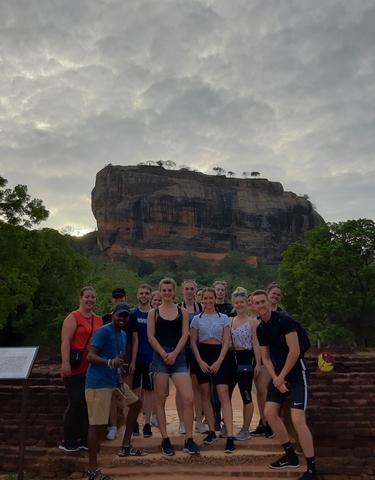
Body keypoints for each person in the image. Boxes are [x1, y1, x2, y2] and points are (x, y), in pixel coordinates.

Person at [252, 290, 317, 480]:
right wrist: (276, 378)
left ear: (267, 302)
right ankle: (289, 455)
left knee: (298, 420)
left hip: (296, 373)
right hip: (279, 373)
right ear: (253, 306)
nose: (261, 305)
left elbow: (295, 351)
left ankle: (312, 468)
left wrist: (281, 377)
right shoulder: (260, 328)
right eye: (257, 303)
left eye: (263, 301)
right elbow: (265, 358)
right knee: (270, 413)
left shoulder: (284, 319)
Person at [85, 303, 146, 480]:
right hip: (97, 384)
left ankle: (126, 445)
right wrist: (110, 363)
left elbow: (119, 360)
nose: (122, 319)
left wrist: (119, 380)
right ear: (113, 315)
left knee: (136, 404)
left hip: (113, 382)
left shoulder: (123, 334)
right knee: (96, 425)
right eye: (119, 315)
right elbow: (90, 356)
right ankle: (93, 470)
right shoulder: (104, 332)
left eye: (125, 316)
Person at [147, 278, 200, 456]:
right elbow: (151, 337)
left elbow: (185, 334)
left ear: (174, 292)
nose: (167, 293)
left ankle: (189, 440)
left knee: (188, 398)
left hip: (178, 357)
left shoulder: (182, 311)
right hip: (160, 357)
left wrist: (174, 354)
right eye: (164, 290)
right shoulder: (153, 313)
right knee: (160, 400)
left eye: (170, 290)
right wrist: (164, 354)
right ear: (160, 291)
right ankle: (165, 439)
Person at [190, 287, 235, 453]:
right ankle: (211, 431)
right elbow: (193, 342)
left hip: (220, 357)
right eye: (206, 298)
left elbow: (226, 341)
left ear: (215, 299)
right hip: (202, 356)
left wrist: (220, 361)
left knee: (223, 394)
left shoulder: (224, 318)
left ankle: (230, 436)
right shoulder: (196, 319)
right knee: (205, 395)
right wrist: (200, 361)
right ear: (202, 300)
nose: (208, 301)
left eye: (211, 298)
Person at [59, 286, 103, 452]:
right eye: (87, 297)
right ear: (80, 298)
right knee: (76, 401)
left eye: (93, 297)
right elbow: (66, 341)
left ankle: (83, 438)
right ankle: (68, 439)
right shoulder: (73, 317)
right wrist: (65, 362)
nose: (90, 300)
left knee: (88, 403)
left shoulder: (97, 319)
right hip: (75, 366)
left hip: (92, 367)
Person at [102, 288, 139, 441]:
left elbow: (135, 340)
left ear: (125, 298)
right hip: (110, 357)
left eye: (121, 297)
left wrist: (133, 361)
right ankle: (112, 426)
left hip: (127, 355)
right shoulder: (105, 318)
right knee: (111, 393)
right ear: (112, 300)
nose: (118, 300)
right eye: (115, 298)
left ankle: (126, 427)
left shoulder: (132, 318)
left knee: (126, 393)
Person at [227, 288, 261, 441]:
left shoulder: (252, 322)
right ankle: (226, 425)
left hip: (246, 358)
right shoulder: (229, 321)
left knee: (246, 394)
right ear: (233, 304)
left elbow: (256, 344)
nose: (239, 305)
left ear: (247, 304)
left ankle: (245, 429)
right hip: (231, 358)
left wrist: (258, 364)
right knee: (225, 394)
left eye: (242, 302)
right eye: (236, 303)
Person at [176, 280, 207, 435]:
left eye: (192, 289)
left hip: (197, 350)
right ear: (182, 290)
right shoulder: (177, 308)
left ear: (195, 291)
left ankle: (199, 422)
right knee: (179, 387)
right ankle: (182, 421)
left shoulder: (201, 307)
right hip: (181, 350)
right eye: (187, 289)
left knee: (197, 386)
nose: (189, 291)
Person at [132, 284, 157, 437]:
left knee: (149, 392)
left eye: (147, 293)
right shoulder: (132, 314)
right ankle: (133, 422)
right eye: (141, 293)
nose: (144, 295)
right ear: (137, 295)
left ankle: (146, 423)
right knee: (134, 392)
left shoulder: (156, 314)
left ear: (150, 295)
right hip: (135, 358)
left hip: (151, 359)